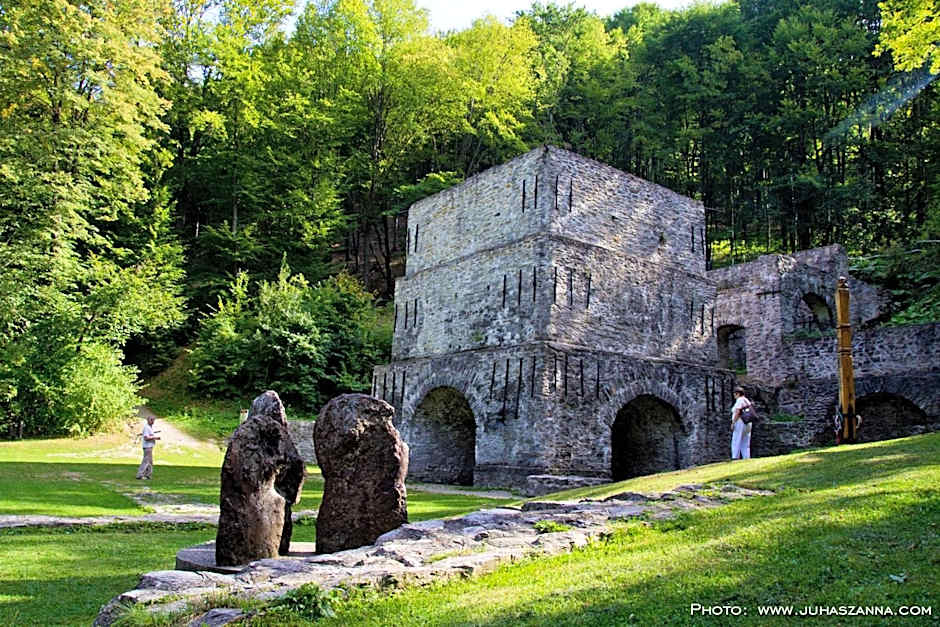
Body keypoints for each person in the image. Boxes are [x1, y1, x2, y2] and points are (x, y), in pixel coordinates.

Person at [730, 386, 752, 460]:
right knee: (745, 441)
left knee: (736, 439)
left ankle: (735, 457)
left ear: (738, 394)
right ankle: (746, 457)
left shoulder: (740, 400)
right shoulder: (746, 400)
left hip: (740, 421)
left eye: (735, 393)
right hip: (748, 422)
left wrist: (733, 423)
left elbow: (738, 411)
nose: (734, 395)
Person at [136, 415, 161, 480]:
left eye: (153, 420)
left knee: (150, 462)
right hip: (147, 447)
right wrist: (155, 437)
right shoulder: (147, 427)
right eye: (151, 420)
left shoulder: (150, 427)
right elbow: (146, 438)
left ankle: (148, 475)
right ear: (148, 420)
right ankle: (140, 475)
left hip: (150, 446)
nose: (152, 421)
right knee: (146, 461)